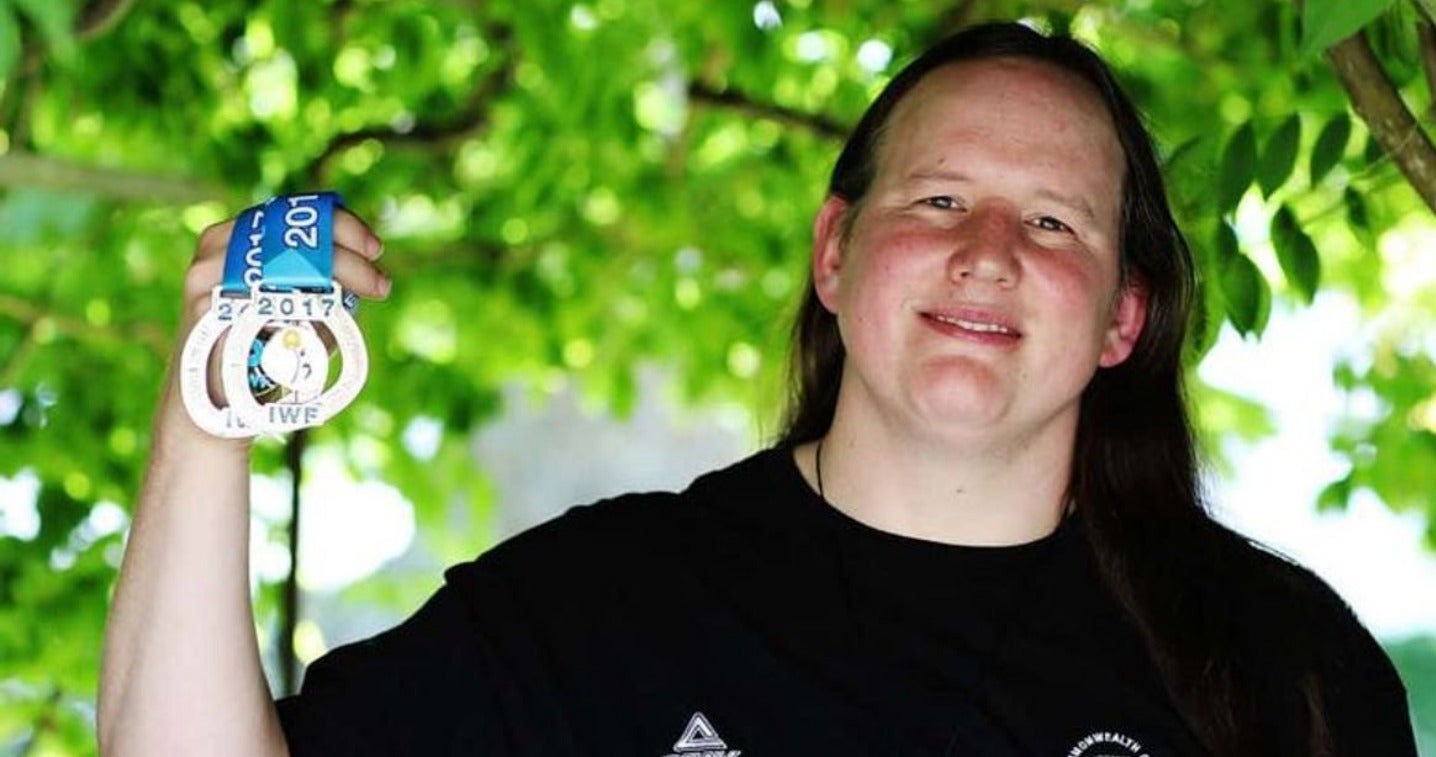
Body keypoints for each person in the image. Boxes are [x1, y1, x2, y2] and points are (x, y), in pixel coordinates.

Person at [98, 21, 1417, 757]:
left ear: (1124, 316)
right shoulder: (603, 611)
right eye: (941, 197)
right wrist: (208, 399)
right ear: (836, 254)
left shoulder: (1282, 667)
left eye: (1054, 224)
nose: (985, 254)